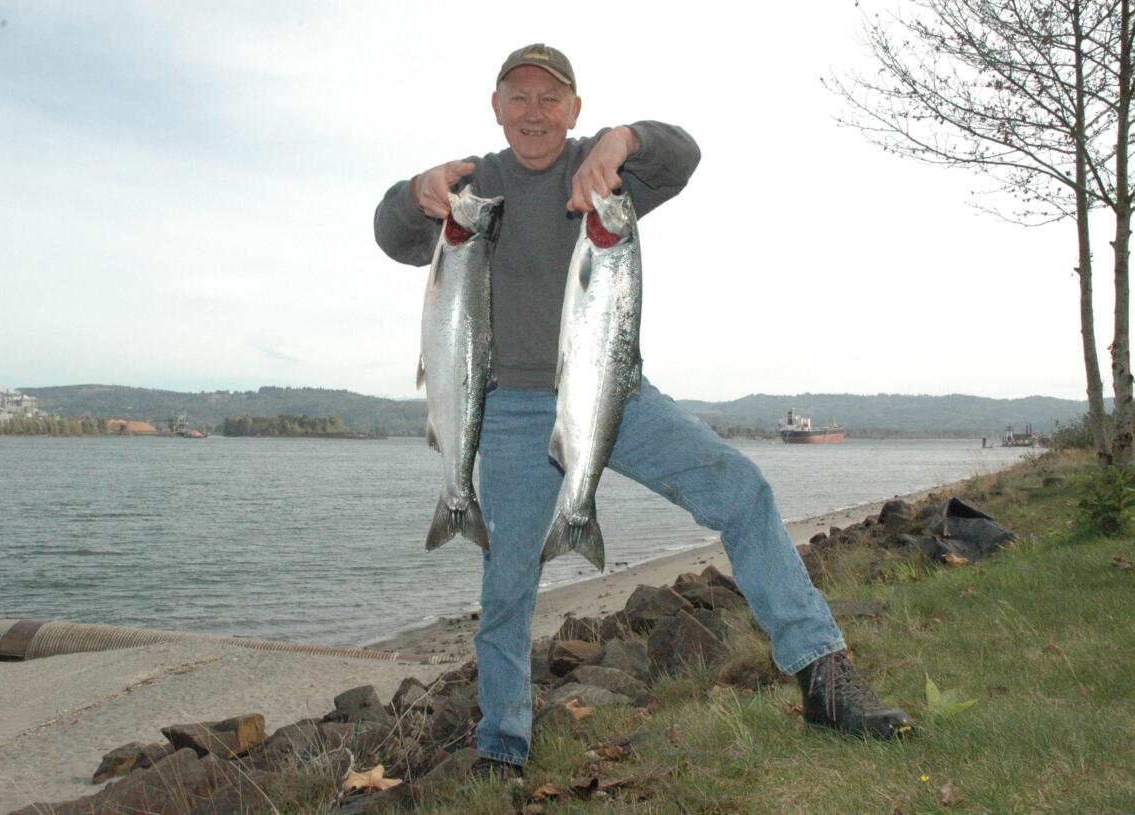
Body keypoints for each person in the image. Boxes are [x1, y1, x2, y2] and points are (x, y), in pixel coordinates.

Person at [374, 44, 913, 772]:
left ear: (574, 109)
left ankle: (822, 674)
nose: (535, 113)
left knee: (744, 490)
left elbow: (683, 156)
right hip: (505, 412)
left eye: (550, 99)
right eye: (519, 98)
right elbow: (394, 236)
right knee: (507, 587)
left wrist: (623, 140)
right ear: (496, 107)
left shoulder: (602, 172)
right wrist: (415, 190)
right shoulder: (469, 186)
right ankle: (503, 743)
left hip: (612, 395)